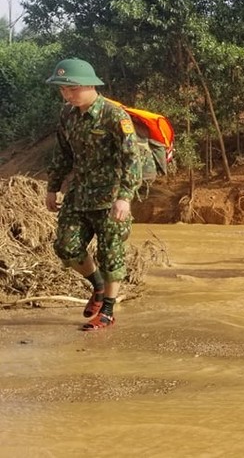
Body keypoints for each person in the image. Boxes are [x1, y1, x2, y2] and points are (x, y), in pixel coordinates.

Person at [44, 58, 141, 331]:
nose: (67, 94)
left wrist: (125, 196)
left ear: (90, 85)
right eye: (63, 89)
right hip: (79, 194)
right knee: (65, 246)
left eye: (72, 88)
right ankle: (98, 287)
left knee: (111, 254)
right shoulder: (67, 115)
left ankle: (108, 310)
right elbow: (62, 153)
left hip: (110, 198)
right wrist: (53, 187)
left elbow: (133, 159)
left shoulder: (114, 116)